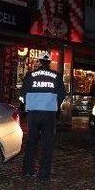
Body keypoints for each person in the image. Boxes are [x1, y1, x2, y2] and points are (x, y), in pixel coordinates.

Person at [20, 52, 66, 181]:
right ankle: (44, 174)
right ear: (49, 62)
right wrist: (54, 105)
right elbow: (62, 94)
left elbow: (22, 95)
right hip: (49, 114)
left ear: (39, 61)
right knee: (47, 144)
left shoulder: (30, 76)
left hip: (33, 114)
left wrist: (27, 106)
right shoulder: (57, 76)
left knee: (31, 143)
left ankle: (28, 171)